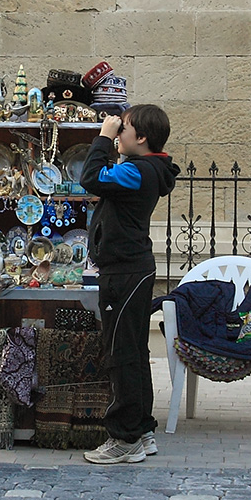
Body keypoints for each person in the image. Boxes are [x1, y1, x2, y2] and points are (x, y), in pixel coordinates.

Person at [79, 104, 178, 464]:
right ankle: (141, 429)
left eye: (125, 128)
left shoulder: (138, 171)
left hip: (125, 272)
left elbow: (89, 177)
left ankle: (124, 439)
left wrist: (103, 137)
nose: (118, 133)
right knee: (134, 352)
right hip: (131, 269)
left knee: (121, 354)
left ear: (142, 138)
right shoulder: (145, 170)